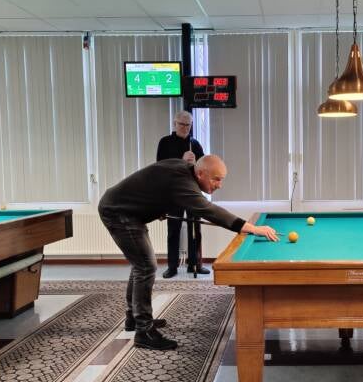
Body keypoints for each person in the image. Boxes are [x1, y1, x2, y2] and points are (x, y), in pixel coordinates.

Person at [98, 154, 279, 351]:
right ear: (200, 174)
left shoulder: (184, 170)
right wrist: (251, 228)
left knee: (141, 265)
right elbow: (209, 210)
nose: (219, 185)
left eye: (221, 180)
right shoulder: (183, 181)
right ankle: (144, 331)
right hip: (119, 212)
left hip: (124, 209)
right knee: (145, 266)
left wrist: (157, 205)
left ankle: (134, 318)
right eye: (216, 179)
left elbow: (154, 183)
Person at [156, 110, 206, 278]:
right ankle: (172, 267)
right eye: (182, 124)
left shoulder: (195, 144)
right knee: (173, 229)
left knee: (195, 229)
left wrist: (196, 163)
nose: (185, 128)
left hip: (192, 192)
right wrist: (181, 160)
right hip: (174, 192)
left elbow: (203, 169)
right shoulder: (165, 142)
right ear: (174, 124)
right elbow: (161, 167)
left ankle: (195, 264)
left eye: (188, 125)